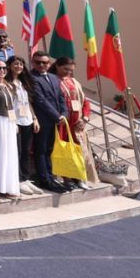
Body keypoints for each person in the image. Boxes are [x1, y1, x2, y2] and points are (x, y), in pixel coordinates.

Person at [53, 56, 97, 190]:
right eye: (65, 69)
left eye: (71, 70)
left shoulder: (74, 82)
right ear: (57, 66)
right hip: (62, 124)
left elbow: (86, 102)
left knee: (80, 151)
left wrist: (84, 119)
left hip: (77, 124)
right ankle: (66, 178)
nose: (68, 72)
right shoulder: (53, 80)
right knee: (65, 151)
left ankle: (79, 178)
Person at [29, 51, 69, 193]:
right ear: (33, 63)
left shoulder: (53, 77)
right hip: (42, 120)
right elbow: (40, 100)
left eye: (44, 62)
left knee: (50, 150)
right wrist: (56, 116)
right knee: (41, 150)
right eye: (38, 62)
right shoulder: (31, 77)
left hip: (55, 120)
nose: (41, 65)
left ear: (49, 64)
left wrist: (64, 114)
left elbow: (60, 97)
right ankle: (45, 179)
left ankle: (51, 177)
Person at [7, 56, 43, 196]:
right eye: (16, 64)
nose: (19, 67)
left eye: (21, 64)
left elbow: (28, 103)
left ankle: (25, 178)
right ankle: (18, 179)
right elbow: (9, 105)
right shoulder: (7, 82)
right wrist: (12, 121)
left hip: (27, 119)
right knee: (18, 151)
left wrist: (35, 118)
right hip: (15, 122)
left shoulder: (24, 82)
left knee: (27, 152)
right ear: (10, 66)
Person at [0, 59, 20, 199]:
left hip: (9, 122)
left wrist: (15, 122)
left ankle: (9, 186)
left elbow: (13, 106)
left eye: (4, 68)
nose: (2, 70)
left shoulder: (9, 86)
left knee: (10, 154)